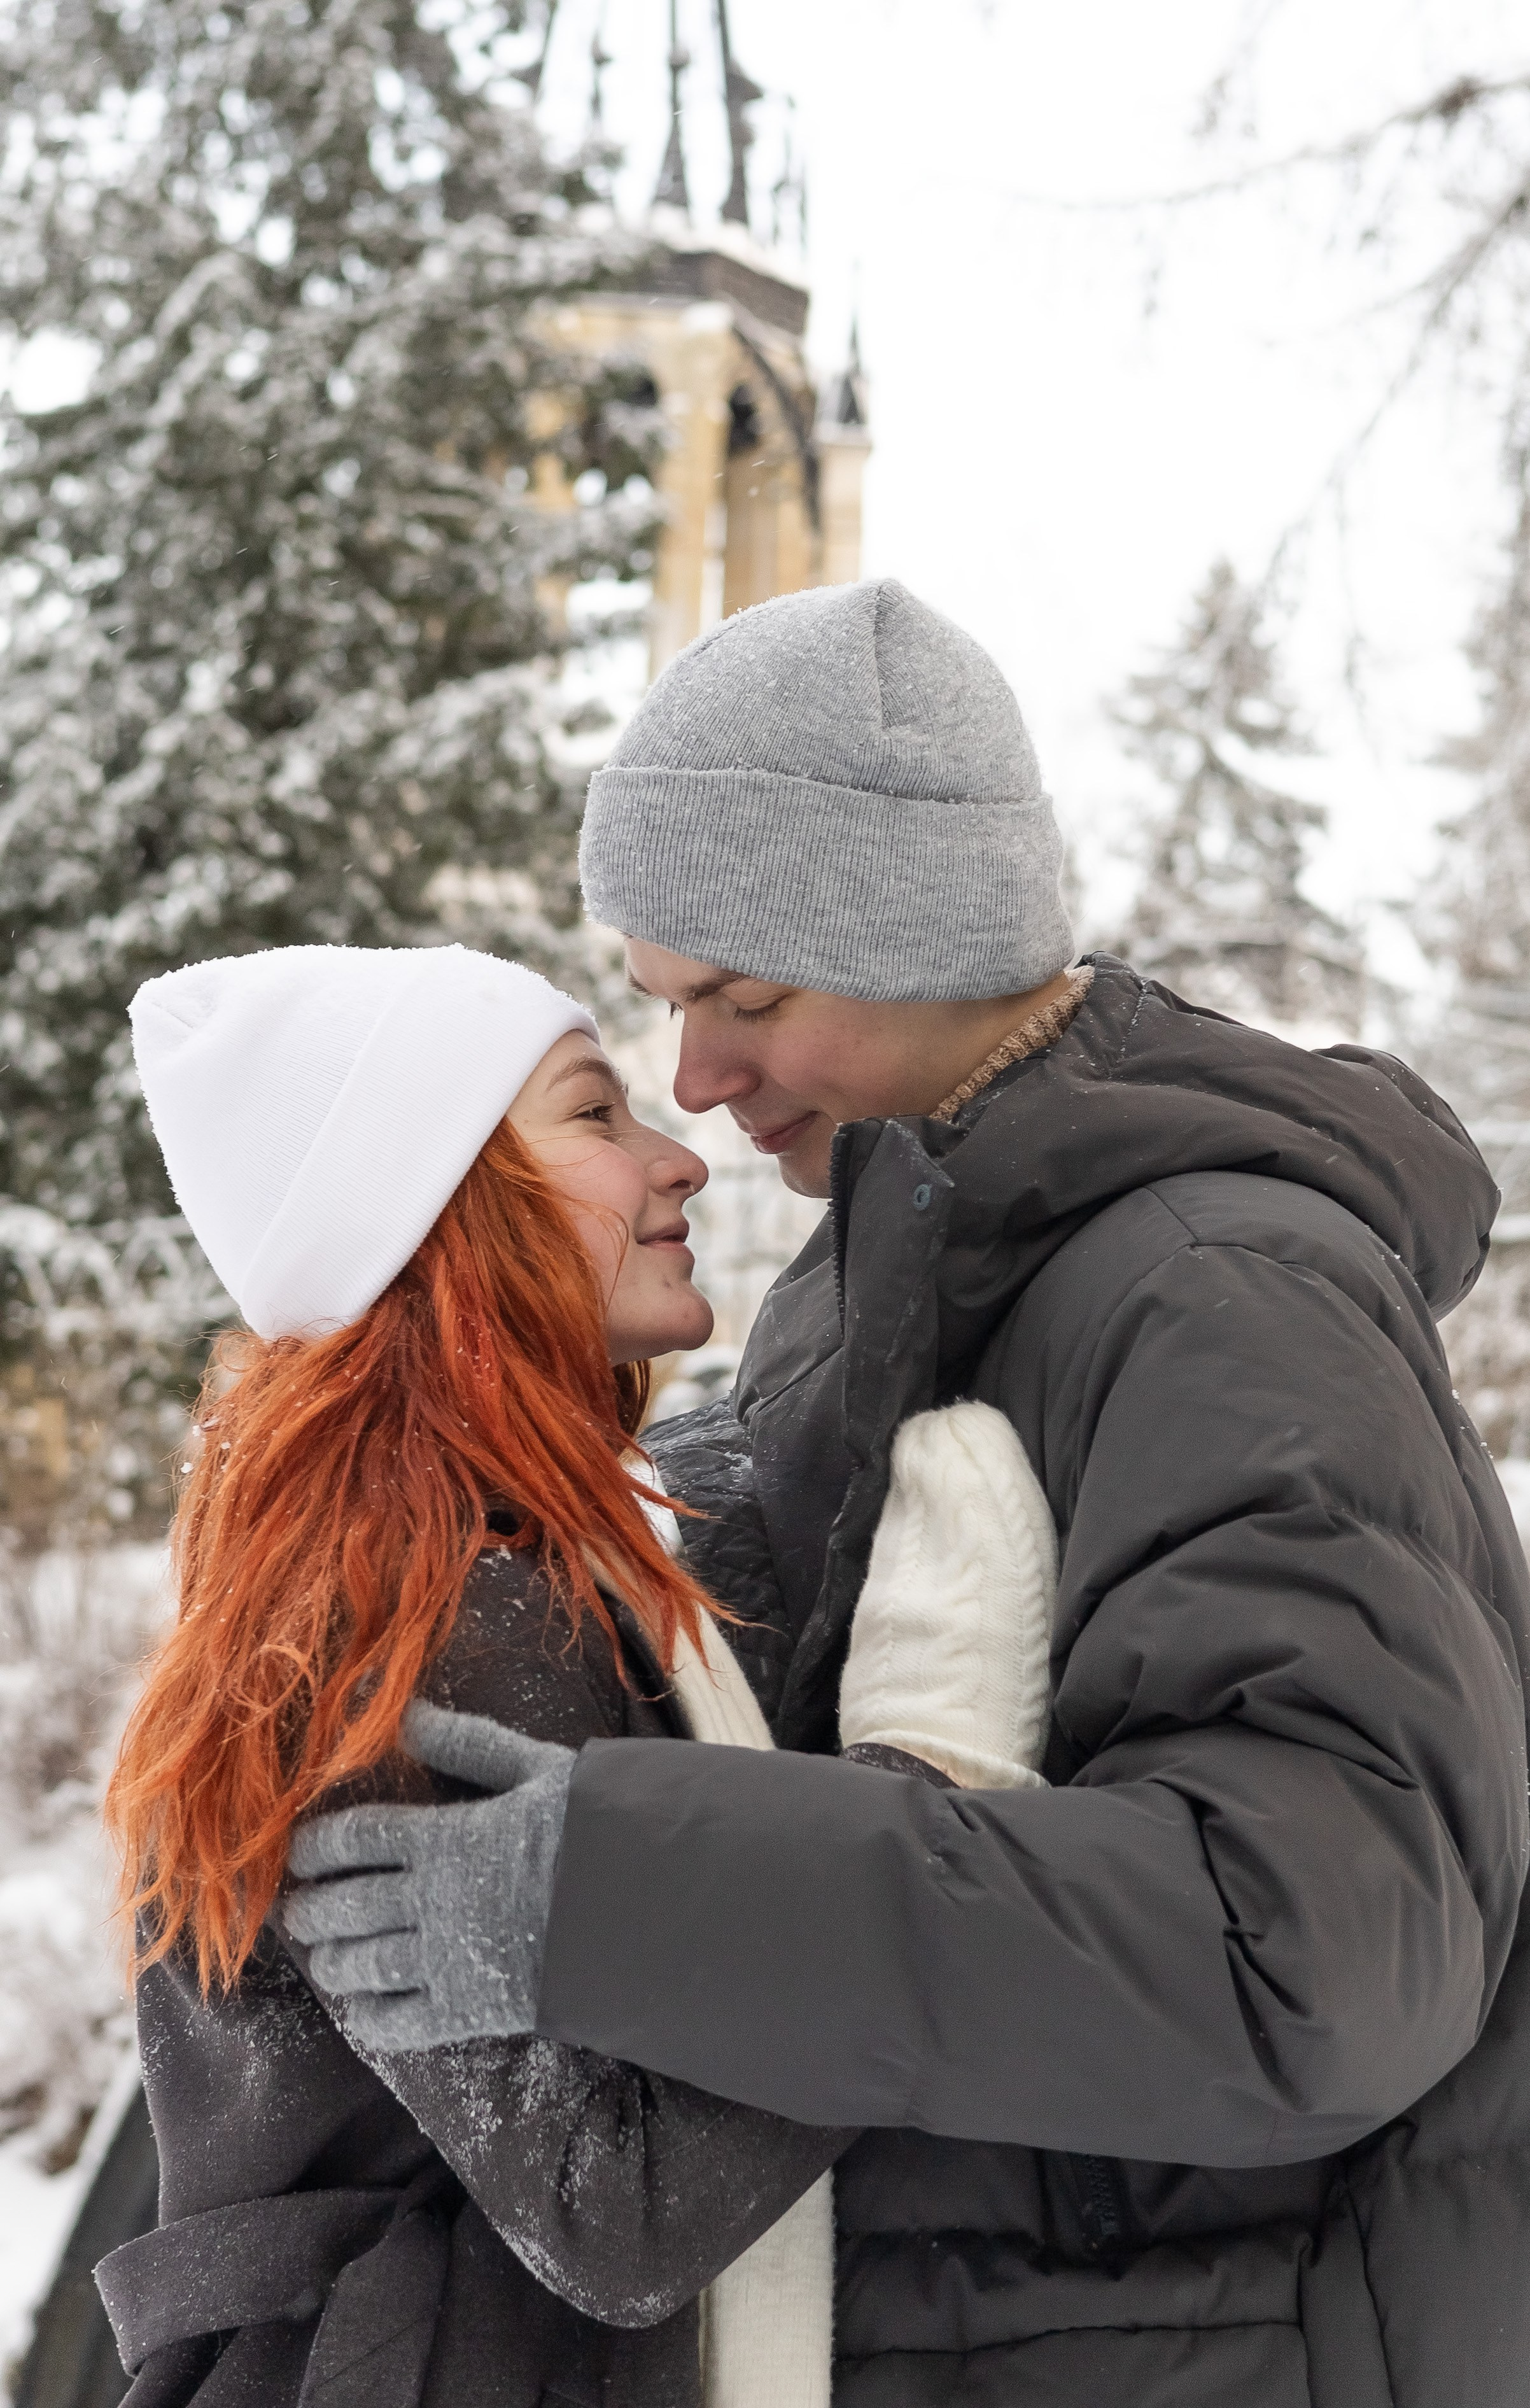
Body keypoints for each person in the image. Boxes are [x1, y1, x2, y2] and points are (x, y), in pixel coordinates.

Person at [293, 581, 1530, 2407]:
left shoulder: (1216, 1292)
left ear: (921, 942)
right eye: (664, 1008)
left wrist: (636, 1901)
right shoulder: (896, 1270)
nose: (699, 1089)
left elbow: (1311, 1955)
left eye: (748, 999)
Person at [97, 940, 1058, 2408]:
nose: (679, 1157)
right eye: (593, 1113)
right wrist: (928, 1793)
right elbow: (615, 2204)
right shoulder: (417, 1618)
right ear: (437, 1206)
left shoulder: (436, 1570)